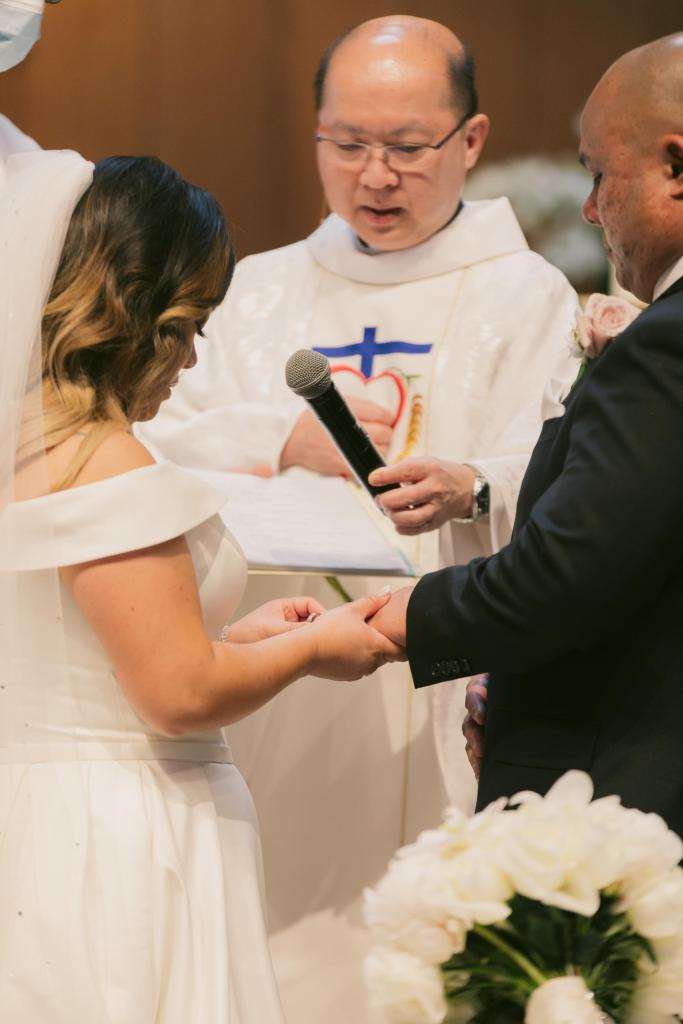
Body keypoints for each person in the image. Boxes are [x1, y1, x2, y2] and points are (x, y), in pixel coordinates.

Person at [138, 16, 578, 1022]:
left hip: (436, 670)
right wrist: (276, 440)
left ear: (469, 139)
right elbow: (149, 442)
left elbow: (564, 474)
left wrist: (473, 483)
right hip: (274, 667)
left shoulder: (526, 296)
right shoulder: (253, 291)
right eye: (346, 143)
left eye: (407, 146)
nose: (374, 176)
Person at [0, 150, 403, 1023]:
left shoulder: (25, 451)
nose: (193, 354)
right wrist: (314, 647)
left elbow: (86, 654)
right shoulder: (105, 460)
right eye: (191, 323)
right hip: (124, 829)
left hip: (42, 815)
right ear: (140, 316)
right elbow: (177, 695)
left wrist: (237, 641)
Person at [370, 32, 683, 837]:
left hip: (630, 800)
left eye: (599, 174)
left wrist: (396, 621)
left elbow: (565, 573)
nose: (589, 208)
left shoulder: (665, 343)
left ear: (676, 166)